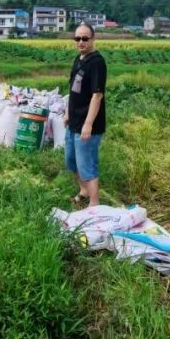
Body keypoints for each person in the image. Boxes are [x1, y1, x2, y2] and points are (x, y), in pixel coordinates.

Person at [65, 22, 106, 207]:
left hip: (88, 124)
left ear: (92, 39)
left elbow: (97, 95)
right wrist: (67, 112)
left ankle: (94, 204)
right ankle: (83, 190)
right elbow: (73, 90)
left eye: (84, 38)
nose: (80, 42)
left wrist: (88, 124)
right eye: (77, 38)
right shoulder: (79, 59)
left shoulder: (97, 62)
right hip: (73, 121)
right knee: (71, 161)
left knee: (87, 165)